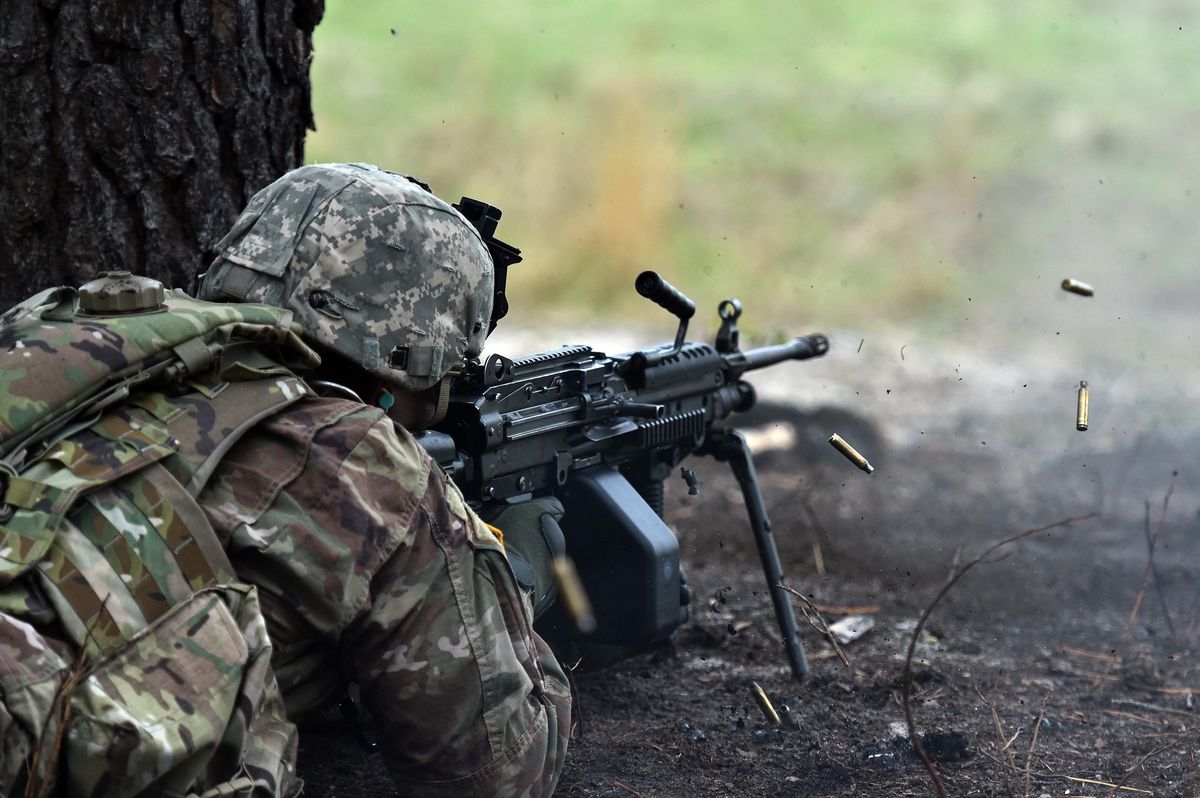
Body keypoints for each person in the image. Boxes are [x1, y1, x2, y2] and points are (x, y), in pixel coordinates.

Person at [0, 163, 570, 796]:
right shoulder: (358, 463)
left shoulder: (72, 342)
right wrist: (509, 576)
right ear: (412, 360)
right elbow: (497, 775)